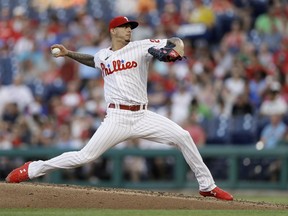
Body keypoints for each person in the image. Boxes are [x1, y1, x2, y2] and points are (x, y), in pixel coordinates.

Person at [5, 16, 233, 201]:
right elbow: (93, 60)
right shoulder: (103, 55)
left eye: (130, 27)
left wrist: (174, 52)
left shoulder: (141, 46)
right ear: (113, 31)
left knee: (183, 136)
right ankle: (33, 169)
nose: (129, 30)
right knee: (84, 156)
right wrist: (68, 54)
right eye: (124, 27)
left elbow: (175, 40)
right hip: (117, 117)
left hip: (143, 115)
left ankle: (207, 186)